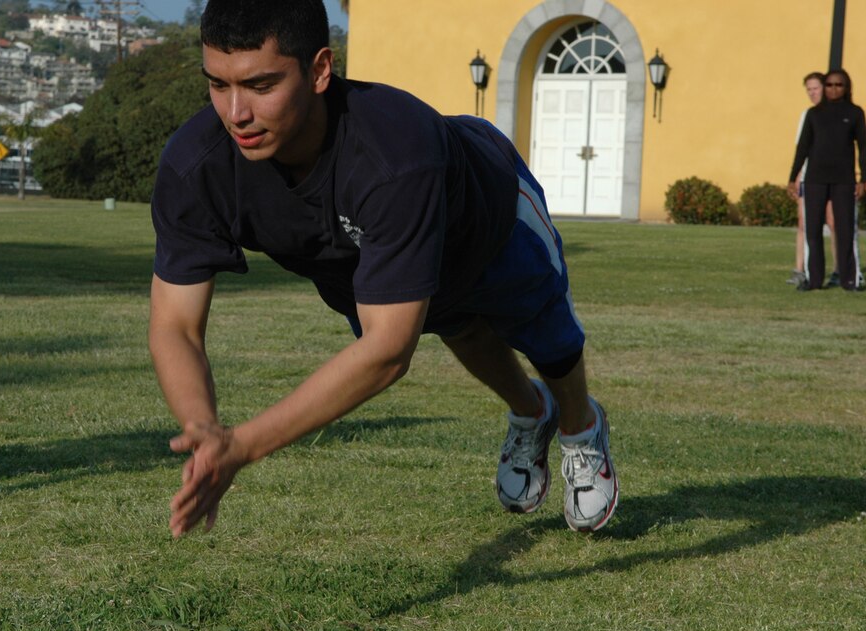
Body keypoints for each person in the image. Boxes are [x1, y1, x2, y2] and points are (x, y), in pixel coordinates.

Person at [148, 0, 620, 539]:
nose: (236, 113)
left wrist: (244, 445)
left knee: (547, 334)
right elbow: (174, 324)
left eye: (261, 86)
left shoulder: (395, 152)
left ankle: (581, 427)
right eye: (217, 85)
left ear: (321, 69)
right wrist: (204, 430)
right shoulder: (196, 165)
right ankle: (530, 411)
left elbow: (388, 351)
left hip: (491, 216)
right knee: (457, 325)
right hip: (380, 250)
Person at [788, 68, 866, 291]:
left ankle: (849, 280)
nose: (833, 89)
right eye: (829, 85)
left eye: (838, 85)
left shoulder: (855, 113)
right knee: (812, 230)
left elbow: (864, 148)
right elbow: (802, 148)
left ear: (846, 87)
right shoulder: (814, 114)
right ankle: (813, 280)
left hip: (844, 180)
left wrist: (863, 179)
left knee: (845, 229)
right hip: (815, 180)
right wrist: (792, 178)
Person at [789, 72, 840, 287]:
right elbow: (802, 148)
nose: (812, 93)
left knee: (834, 222)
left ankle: (840, 269)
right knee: (805, 223)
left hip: (833, 176)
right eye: (808, 89)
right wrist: (797, 176)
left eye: (815, 88)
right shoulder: (808, 115)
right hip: (810, 177)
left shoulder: (838, 113)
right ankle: (800, 269)